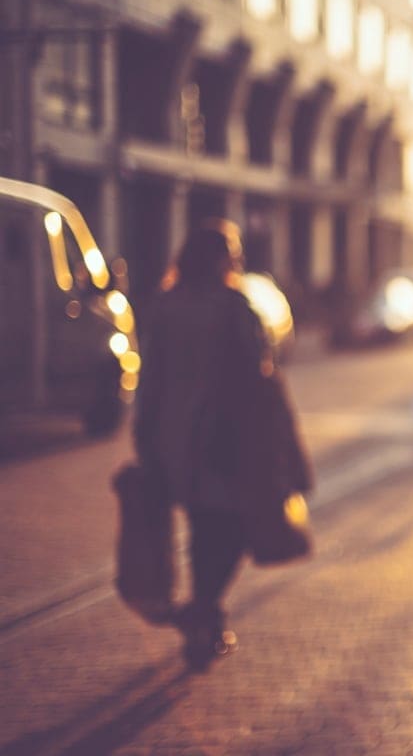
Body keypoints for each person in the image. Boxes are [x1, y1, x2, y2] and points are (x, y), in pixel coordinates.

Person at [133, 218, 311, 670]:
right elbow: (258, 376)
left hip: (175, 442)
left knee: (202, 526)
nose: (237, 262)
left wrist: (145, 435)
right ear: (218, 260)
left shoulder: (166, 305)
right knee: (231, 529)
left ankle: (205, 619)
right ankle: (204, 610)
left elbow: (150, 378)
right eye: (232, 255)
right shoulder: (233, 307)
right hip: (225, 442)